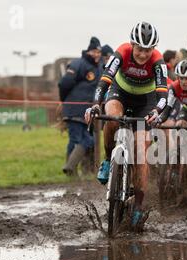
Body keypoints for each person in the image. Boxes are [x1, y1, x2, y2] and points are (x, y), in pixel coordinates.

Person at [85, 21, 168, 227]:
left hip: (146, 101)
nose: (143, 54)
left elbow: (163, 95)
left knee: (141, 150)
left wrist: (157, 112)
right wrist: (95, 105)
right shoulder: (121, 52)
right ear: (132, 44)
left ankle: (138, 205)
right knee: (111, 116)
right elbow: (104, 81)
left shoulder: (158, 61)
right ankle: (107, 160)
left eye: (148, 50)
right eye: (140, 49)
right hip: (120, 93)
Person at [58, 37, 103, 176]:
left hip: (87, 111)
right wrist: (64, 100)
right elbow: (65, 83)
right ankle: (71, 171)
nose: (97, 55)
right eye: (94, 51)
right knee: (76, 139)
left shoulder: (98, 68)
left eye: (98, 52)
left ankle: (71, 168)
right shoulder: (78, 63)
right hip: (74, 109)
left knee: (88, 140)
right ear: (88, 51)